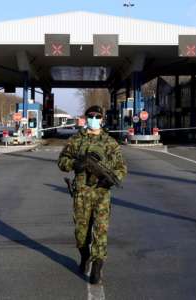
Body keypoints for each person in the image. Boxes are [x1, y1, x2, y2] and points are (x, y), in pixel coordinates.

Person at [58, 105, 127, 284]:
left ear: (102, 119)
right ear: (86, 118)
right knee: (81, 233)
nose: (94, 119)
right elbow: (62, 161)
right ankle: (84, 254)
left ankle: (97, 265)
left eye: (97, 116)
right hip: (81, 193)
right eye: (91, 116)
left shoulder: (110, 142)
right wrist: (75, 164)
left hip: (102, 194)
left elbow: (121, 168)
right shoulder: (76, 140)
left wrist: (111, 179)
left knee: (101, 230)